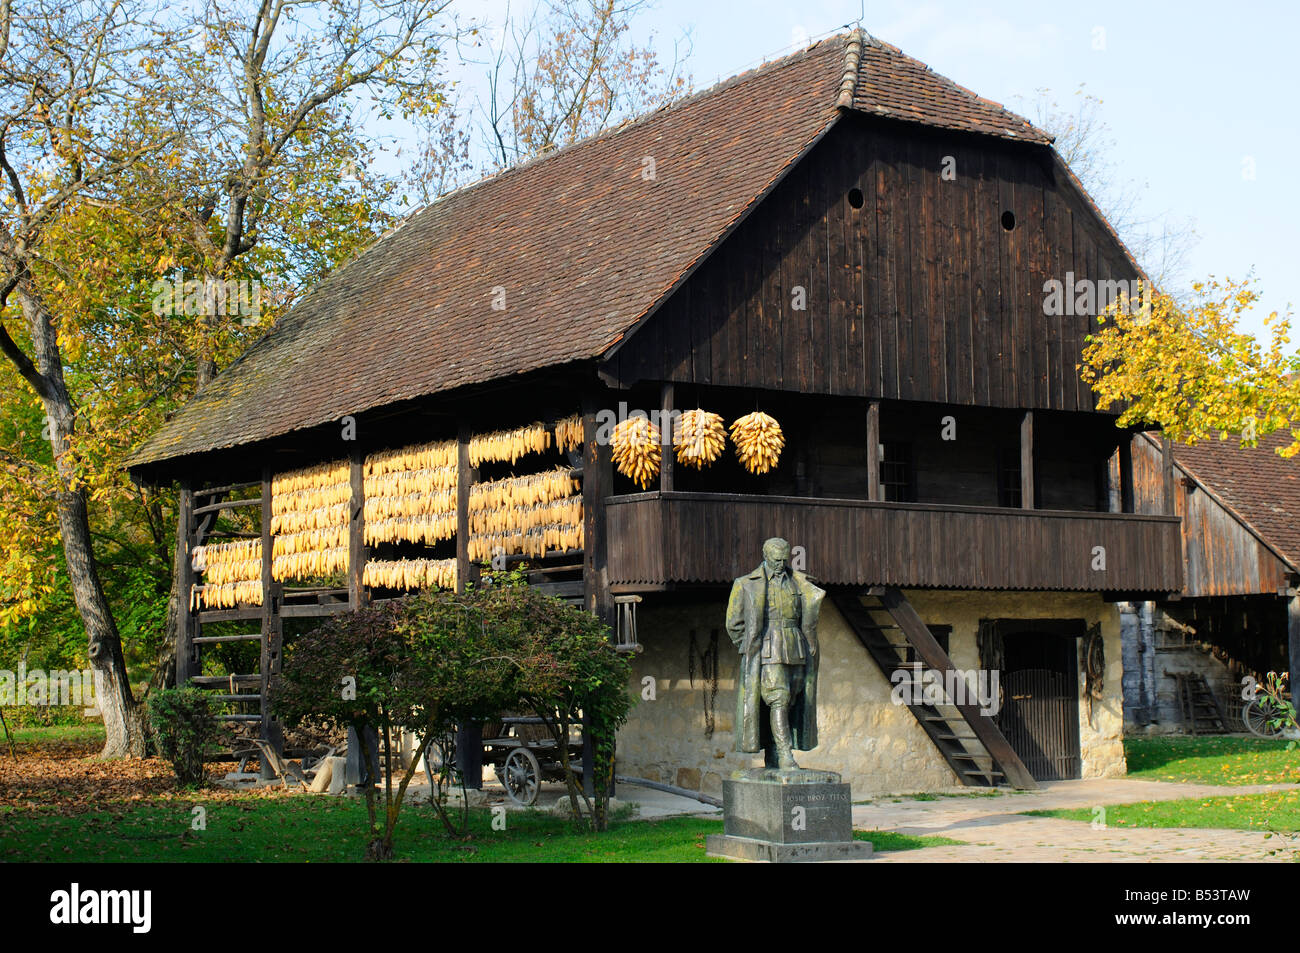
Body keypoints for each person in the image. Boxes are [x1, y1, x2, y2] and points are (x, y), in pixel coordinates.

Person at [724, 537, 824, 769]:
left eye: (784, 559)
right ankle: (785, 755)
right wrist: (750, 646)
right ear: (765, 556)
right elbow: (733, 623)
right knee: (778, 699)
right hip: (767, 651)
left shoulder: (798, 582)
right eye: (776, 559)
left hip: (796, 648)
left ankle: (773, 753)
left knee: (791, 702)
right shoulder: (746, 583)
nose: (780, 564)